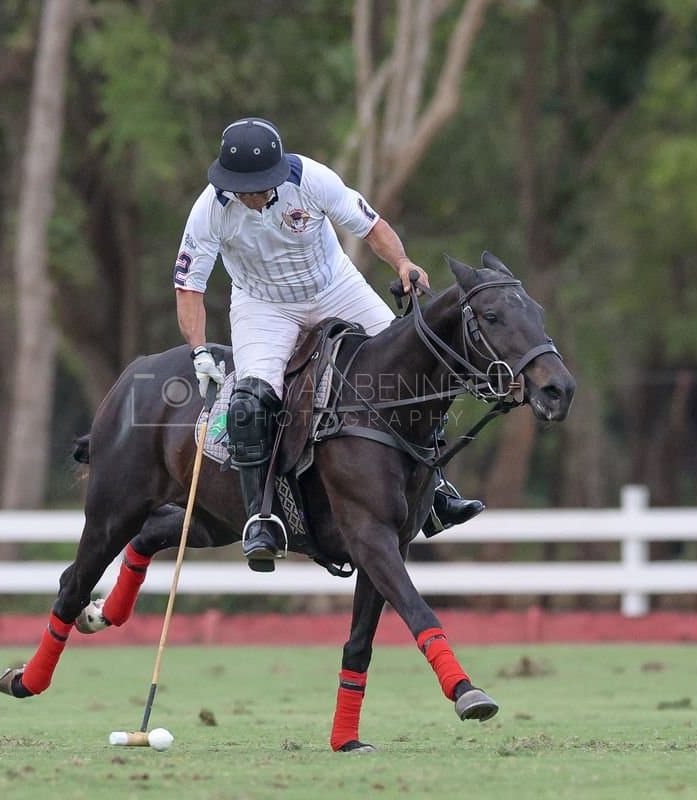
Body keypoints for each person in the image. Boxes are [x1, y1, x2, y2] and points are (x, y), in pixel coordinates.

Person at [173, 117, 483, 572]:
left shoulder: (312, 180)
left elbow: (371, 226)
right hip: (263, 305)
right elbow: (188, 286)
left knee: (417, 366)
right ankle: (261, 519)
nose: (251, 195)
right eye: (242, 186)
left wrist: (402, 263)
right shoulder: (210, 210)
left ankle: (435, 491)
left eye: (259, 185)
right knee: (249, 405)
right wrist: (199, 350)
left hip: (334, 286)